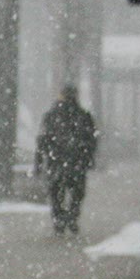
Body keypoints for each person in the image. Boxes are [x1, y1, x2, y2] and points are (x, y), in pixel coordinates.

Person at [34, 85, 99, 235]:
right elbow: (91, 141)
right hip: (77, 162)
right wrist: (88, 158)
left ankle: (59, 219)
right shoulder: (83, 115)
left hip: (55, 160)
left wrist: (38, 163)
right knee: (77, 192)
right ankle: (71, 217)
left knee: (56, 192)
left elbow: (42, 140)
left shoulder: (51, 115)